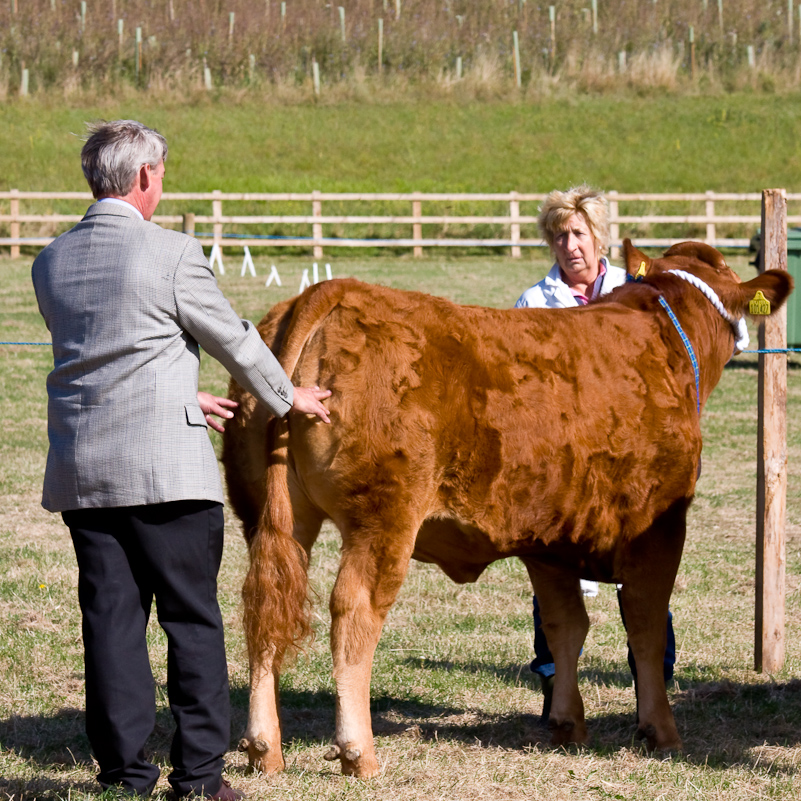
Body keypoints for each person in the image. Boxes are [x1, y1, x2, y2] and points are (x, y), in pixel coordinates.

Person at [31, 120, 332, 799]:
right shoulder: (170, 252)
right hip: (166, 469)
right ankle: (199, 775)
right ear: (144, 177)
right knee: (191, 620)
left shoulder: (49, 261)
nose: (161, 186)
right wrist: (291, 397)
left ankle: (124, 772)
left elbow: (104, 349)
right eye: (161, 174)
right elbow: (233, 338)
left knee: (111, 623)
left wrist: (175, 384)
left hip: (85, 471)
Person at [515, 185, 675, 719]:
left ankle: (655, 685)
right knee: (551, 568)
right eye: (559, 236)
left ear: (598, 238)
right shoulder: (534, 303)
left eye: (578, 233)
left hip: (625, 460)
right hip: (561, 463)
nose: (570, 245)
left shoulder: (638, 293)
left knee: (644, 568)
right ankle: (555, 684)